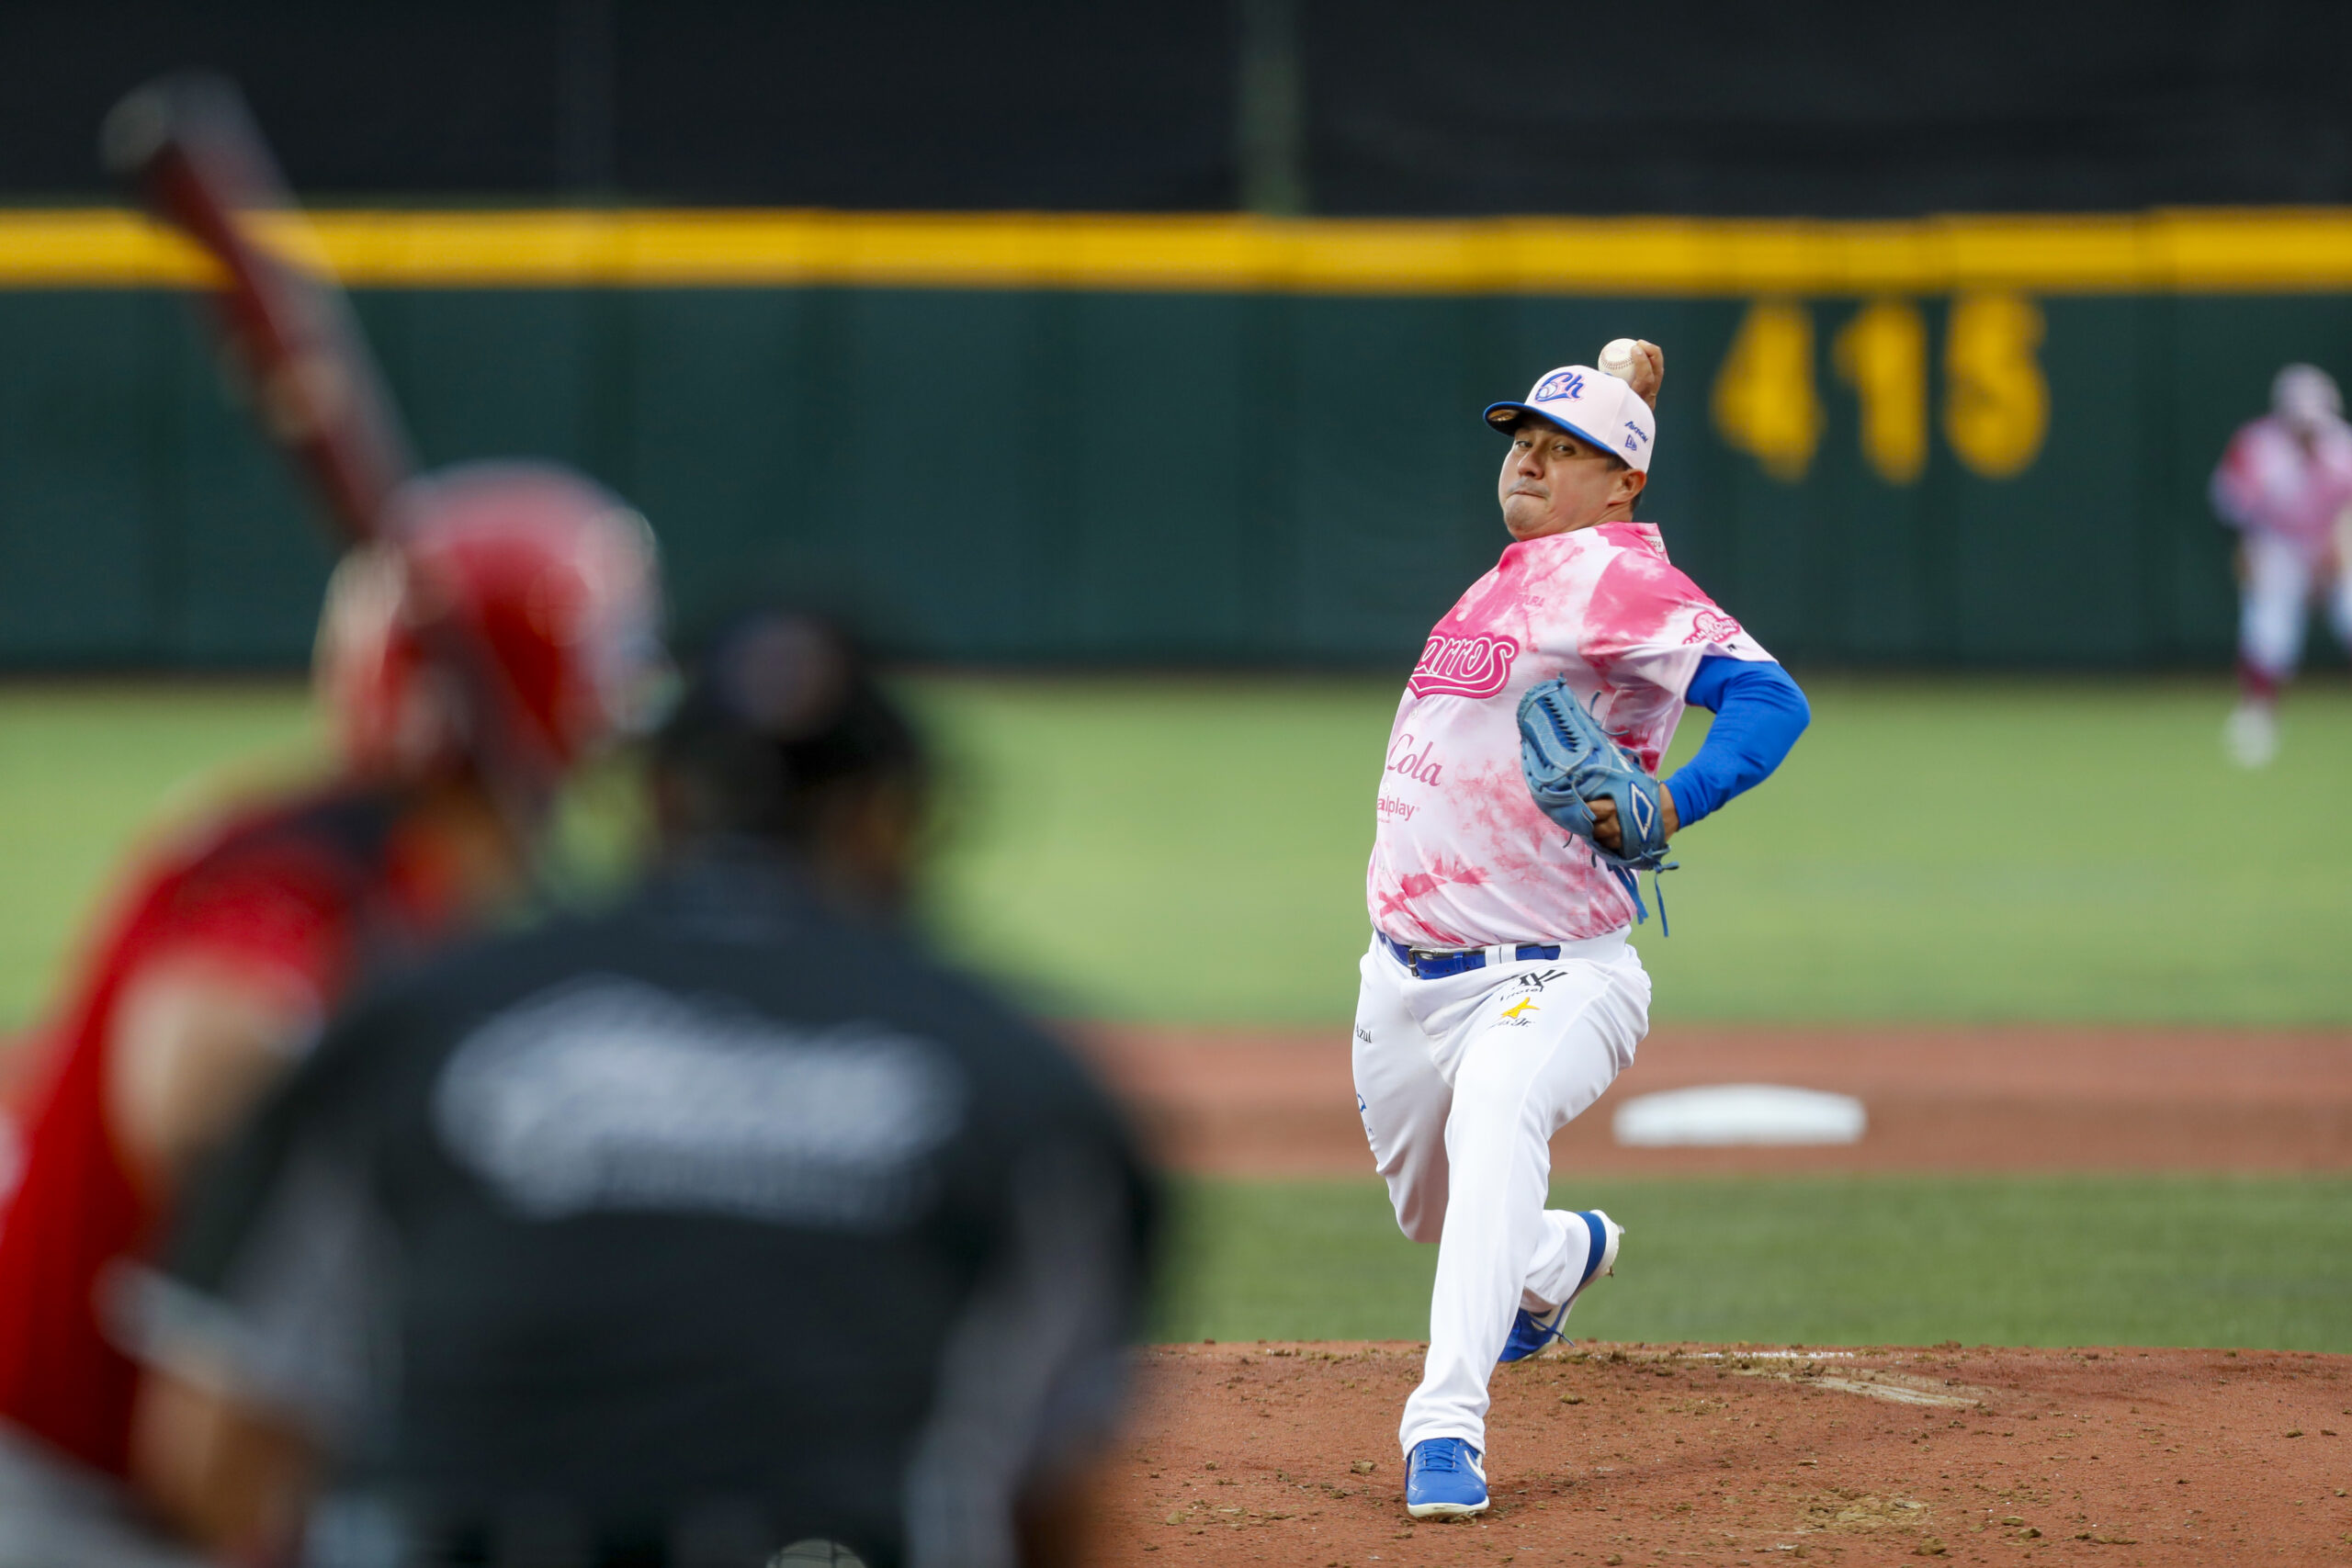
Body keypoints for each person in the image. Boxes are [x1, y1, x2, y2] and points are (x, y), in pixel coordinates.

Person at [120, 612, 1159, 1568]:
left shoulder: (422, 1019)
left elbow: (209, 1457)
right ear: (891, 823)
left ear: (655, 800)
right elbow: (1055, 1513)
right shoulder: (1021, 1078)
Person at [0, 462, 662, 1567]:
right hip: (75, 1502)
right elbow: (194, 1066)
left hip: (197, 1489)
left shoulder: (428, 895)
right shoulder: (306, 872)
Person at [1354, 345, 1810, 1518]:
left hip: (1552, 973)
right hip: (1401, 976)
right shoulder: (1519, 574)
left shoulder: (1619, 579)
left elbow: (1771, 700)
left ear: (1621, 487)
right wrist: (1606, 406)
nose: (1529, 461)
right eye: (1524, 442)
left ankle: (1443, 1430)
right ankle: (1557, 1260)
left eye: (1564, 453)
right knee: (1444, 1216)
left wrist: (1673, 800)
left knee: (1499, 1116)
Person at [2210, 363, 2352, 767]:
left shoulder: (2344, 447)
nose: (2308, 431)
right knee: (2270, 617)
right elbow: (2228, 509)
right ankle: (2258, 714)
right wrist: (2246, 550)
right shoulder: (2256, 448)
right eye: (2300, 422)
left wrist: (2342, 545)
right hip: (2279, 545)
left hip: (2334, 542)